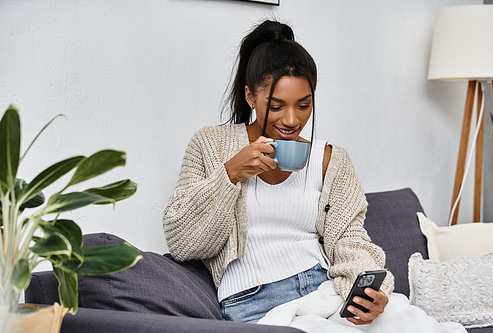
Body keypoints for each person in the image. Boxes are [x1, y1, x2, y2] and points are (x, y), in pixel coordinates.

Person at [163, 19, 394, 326]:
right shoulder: (211, 145)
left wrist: (365, 291)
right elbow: (182, 242)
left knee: (410, 321)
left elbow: (350, 239)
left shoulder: (330, 159)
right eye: (276, 106)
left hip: (323, 290)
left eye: (303, 105)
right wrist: (230, 174)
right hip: (253, 301)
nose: (291, 119)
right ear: (250, 97)